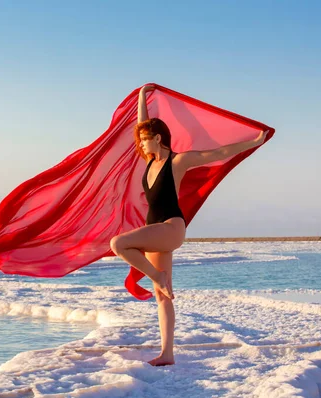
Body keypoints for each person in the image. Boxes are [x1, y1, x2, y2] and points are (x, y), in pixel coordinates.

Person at [110, 84, 268, 366]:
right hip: (155, 231)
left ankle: (157, 278)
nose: (142, 144)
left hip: (170, 228)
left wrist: (253, 142)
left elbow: (218, 153)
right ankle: (167, 353)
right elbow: (141, 125)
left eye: (145, 140)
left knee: (118, 243)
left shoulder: (178, 162)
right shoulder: (149, 161)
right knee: (163, 298)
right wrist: (142, 99)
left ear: (157, 138)